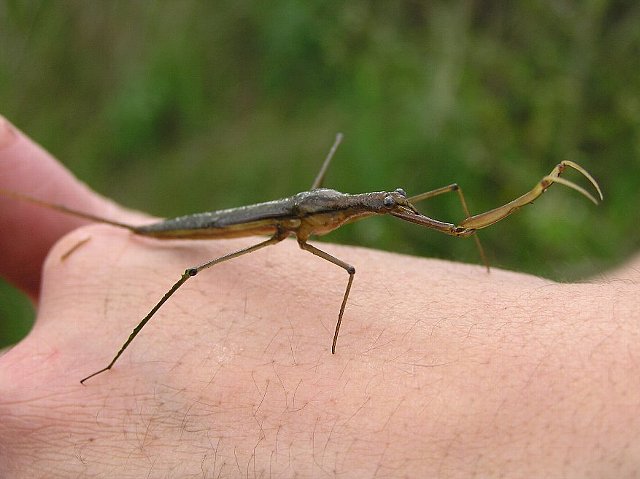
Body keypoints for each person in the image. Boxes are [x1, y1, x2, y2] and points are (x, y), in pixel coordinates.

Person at [0, 115, 638, 477]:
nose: (394, 206)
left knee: (422, 219)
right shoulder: (317, 222)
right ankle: (111, 355)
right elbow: (368, 251)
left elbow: (455, 216)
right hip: (236, 227)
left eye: (390, 204)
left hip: (295, 222)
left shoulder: (358, 211)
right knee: (187, 268)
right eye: (388, 204)